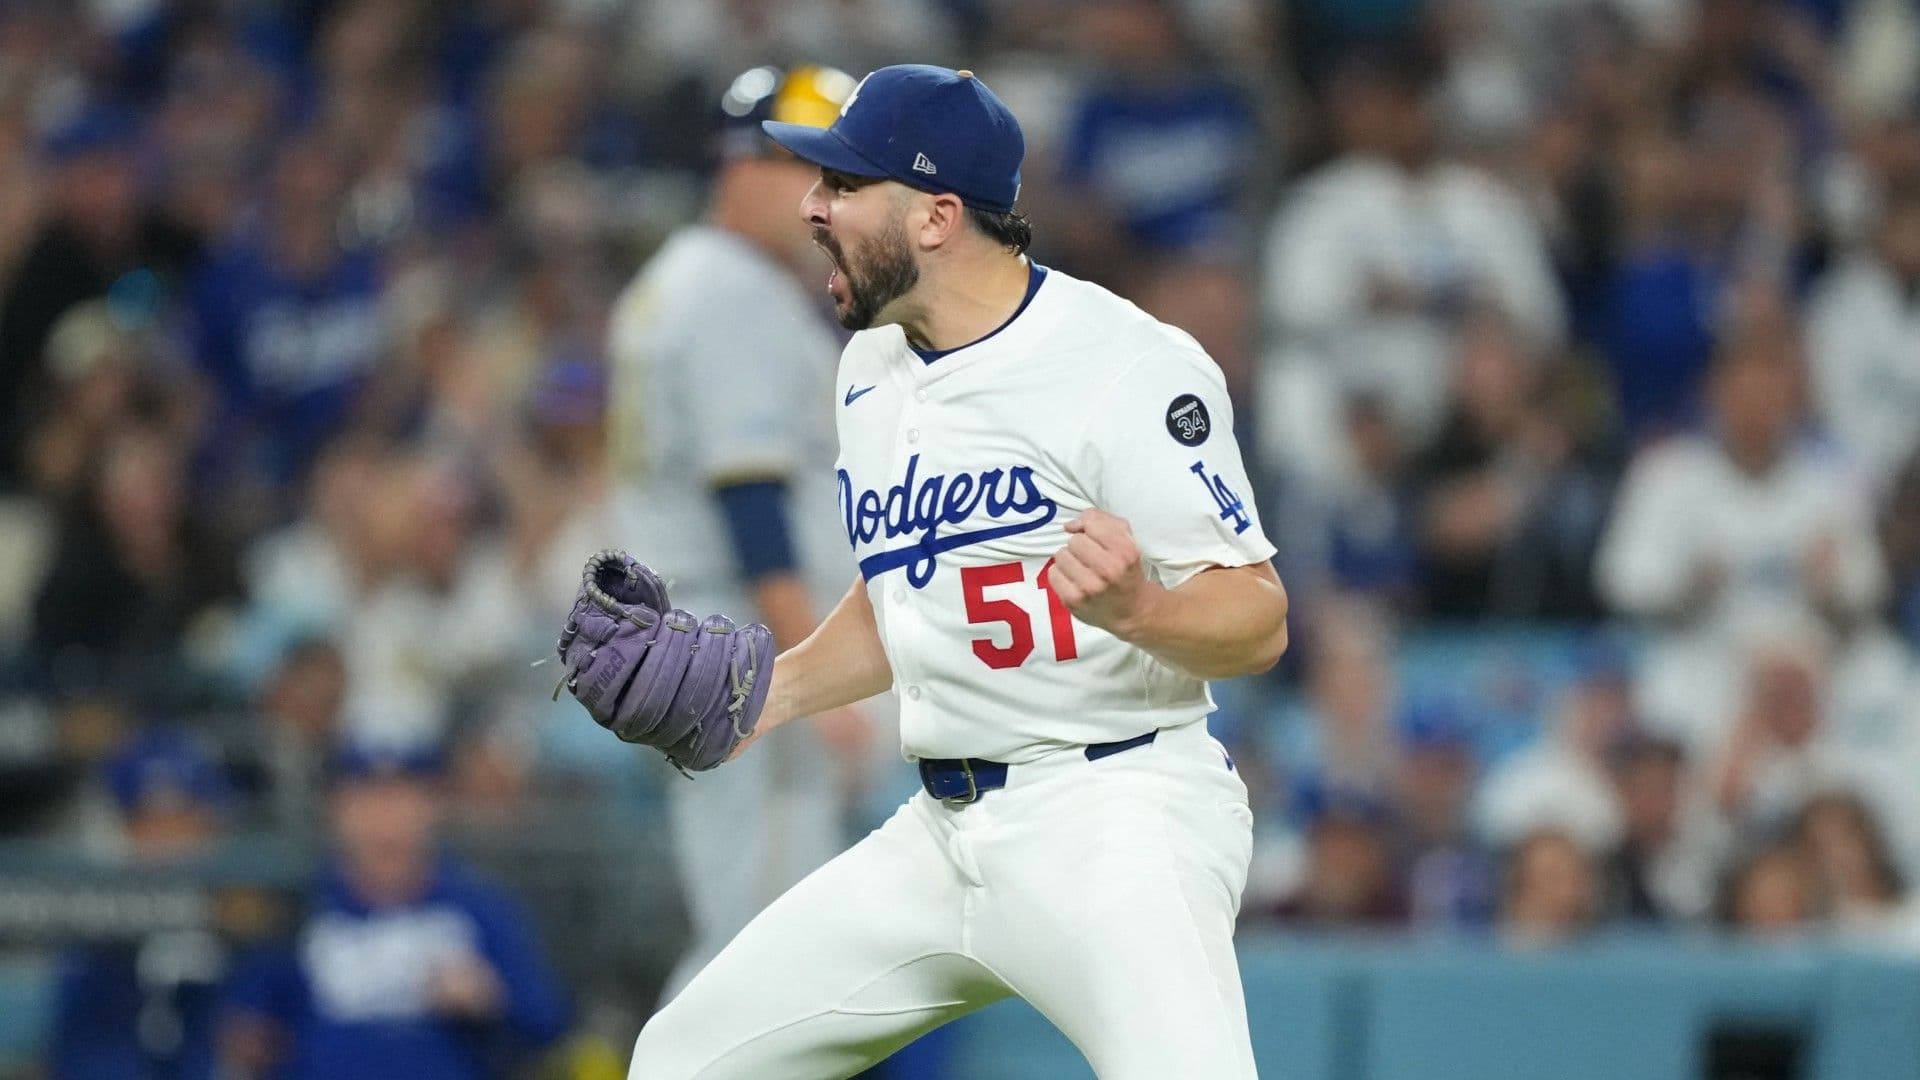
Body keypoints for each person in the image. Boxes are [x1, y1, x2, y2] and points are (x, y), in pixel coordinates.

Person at [623, 63, 1288, 1079]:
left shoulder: (1124, 363)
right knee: (683, 1059)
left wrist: (1142, 610)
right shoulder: (871, 365)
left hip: (1113, 813)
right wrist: (767, 695)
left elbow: (1258, 617)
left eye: (846, 184)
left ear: (936, 217)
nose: (812, 205)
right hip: (940, 833)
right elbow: (906, 594)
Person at [604, 64, 876, 999]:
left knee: (761, 930)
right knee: (762, 945)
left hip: (705, 636)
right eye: (805, 170)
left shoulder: (680, 280)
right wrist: (810, 675)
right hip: (745, 641)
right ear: (740, 166)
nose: (824, 200)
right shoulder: (733, 291)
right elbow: (748, 497)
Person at [218, 745, 568, 1080]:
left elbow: (547, 1023)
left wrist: (489, 1000)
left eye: (402, 798)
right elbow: (240, 1029)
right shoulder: (297, 910)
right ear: (335, 808)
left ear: (433, 806)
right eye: (366, 798)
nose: (385, 817)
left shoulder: (479, 908)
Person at [49, 730, 233, 1080]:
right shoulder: (92, 929)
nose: (167, 838)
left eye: (183, 818)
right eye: (147, 821)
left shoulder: (252, 915)